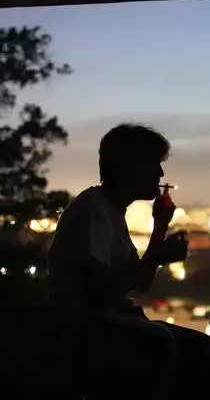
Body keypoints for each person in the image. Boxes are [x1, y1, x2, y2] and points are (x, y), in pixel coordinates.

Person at [48, 123, 188, 313]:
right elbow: (101, 291)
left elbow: (140, 282)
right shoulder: (94, 210)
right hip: (89, 330)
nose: (160, 173)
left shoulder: (112, 211)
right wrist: (158, 256)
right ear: (127, 168)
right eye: (153, 164)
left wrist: (160, 225)